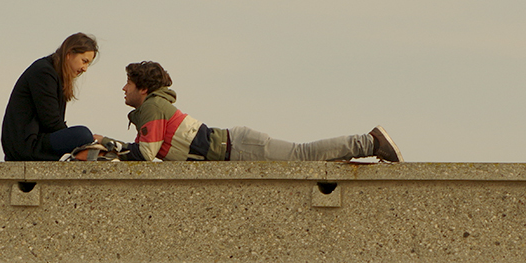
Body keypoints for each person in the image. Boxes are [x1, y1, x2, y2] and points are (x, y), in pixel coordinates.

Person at [113, 61, 404, 163]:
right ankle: (369, 143)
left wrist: (107, 145)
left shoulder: (152, 106)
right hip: (235, 147)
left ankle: (371, 142)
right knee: (302, 156)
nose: (123, 89)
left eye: (127, 83)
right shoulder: (152, 108)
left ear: (143, 88)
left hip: (238, 148)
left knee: (302, 155)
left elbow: (144, 155)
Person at [1, 33, 100, 161]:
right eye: (84, 61)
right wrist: (75, 142)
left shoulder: (54, 73)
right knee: (83, 135)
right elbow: (51, 122)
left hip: (34, 142)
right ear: (69, 54)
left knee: (84, 138)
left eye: (88, 64)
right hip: (27, 146)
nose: (85, 69)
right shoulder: (44, 72)